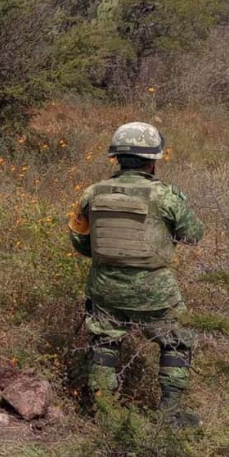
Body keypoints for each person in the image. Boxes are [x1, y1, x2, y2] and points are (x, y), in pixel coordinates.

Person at [68, 122, 205, 428]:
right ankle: (170, 416)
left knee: (104, 343)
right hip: (155, 293)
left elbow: (78, 239)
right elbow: (193, 235)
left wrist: (110, 259)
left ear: (116, 158)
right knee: (176, 343)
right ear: (152, 161)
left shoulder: (92, 193)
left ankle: (104, 414)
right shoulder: (166, 196)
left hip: (105, 289)